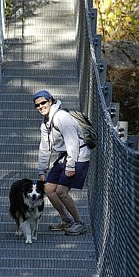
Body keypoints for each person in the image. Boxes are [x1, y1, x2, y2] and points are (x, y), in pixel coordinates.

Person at [33, 89, 91, 235]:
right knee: (48, 189)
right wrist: (42, 170)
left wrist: (71, 165)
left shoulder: (62, 117)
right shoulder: (46, 122)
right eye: (37, 105)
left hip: (78, 156)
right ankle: (66, 221)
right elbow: (44, 147)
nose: (40, 106)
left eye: (43, 102)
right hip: (65, 156)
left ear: (50, 101)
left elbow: (73, 143)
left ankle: (79, 223)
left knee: (61, 191)